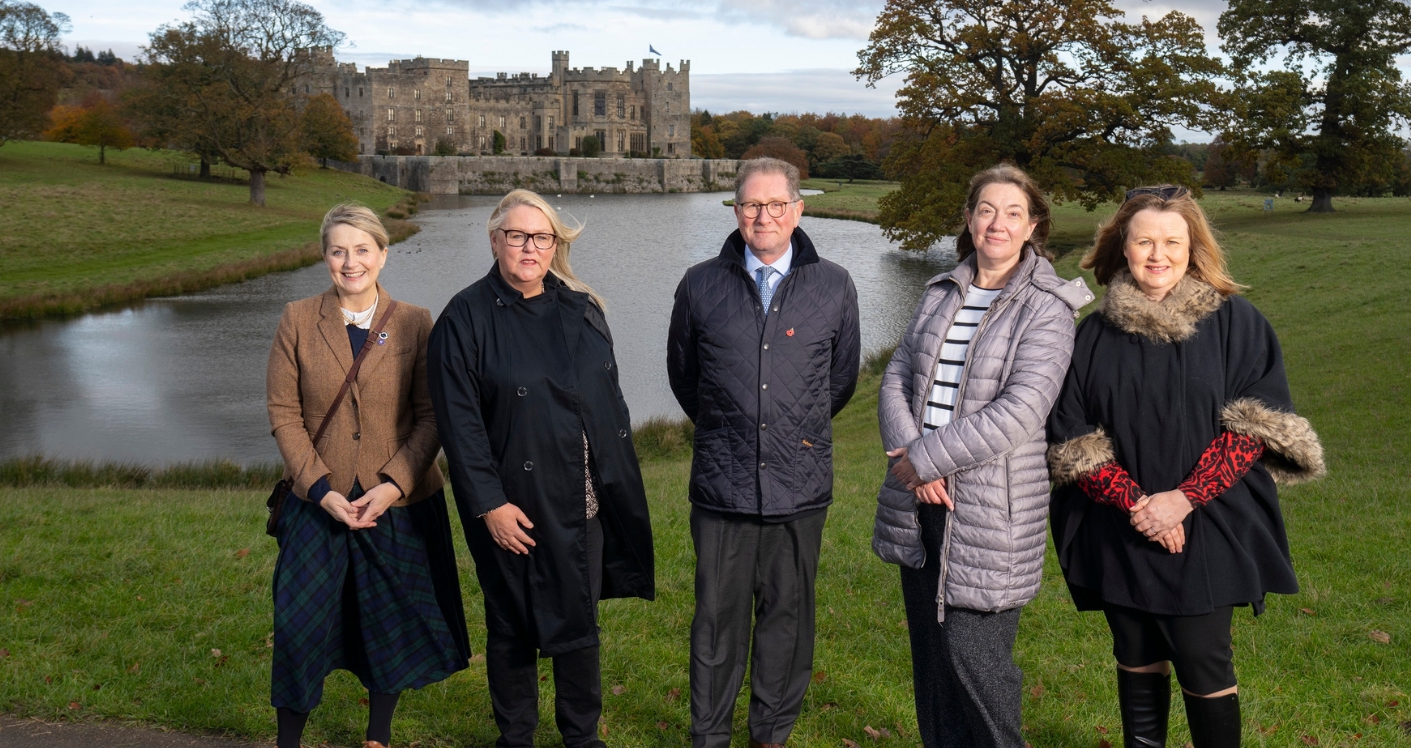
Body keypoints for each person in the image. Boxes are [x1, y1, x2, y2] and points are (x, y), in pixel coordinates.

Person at [1045, 186, 1326, 748]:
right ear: (1121, 247)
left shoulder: (1237, 324)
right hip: (1118, 525)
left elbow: (1255, 423)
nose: (1157, 254)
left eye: (1172, 241)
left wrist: (1183, 499)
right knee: (1136, 654)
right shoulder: (1093, 335)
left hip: (1212, 522)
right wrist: (1136, 504)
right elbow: (1070, 430)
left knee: (1202, 658)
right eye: (1144, 240)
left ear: (1192, 247)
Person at [872, 164, 1093, 748]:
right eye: (986, 210)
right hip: (918, 501)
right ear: (969, 220)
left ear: (1033, 226)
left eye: (1012, 212)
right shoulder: (943, 289)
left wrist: (926, 461)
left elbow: (1022, 409)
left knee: (977, 664)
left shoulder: (1046, 306)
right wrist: (911, 464)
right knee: (933, 664)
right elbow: (897, 374)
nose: (997, 223)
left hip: (988, 512)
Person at [428, 189, 655, 748]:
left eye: (541, 237)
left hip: (582, 501)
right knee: (511, 625)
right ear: (495, 240)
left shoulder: (582, 307)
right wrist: (489, 505)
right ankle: (517, 737)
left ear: (556, 243)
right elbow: (460, 426)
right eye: (517, 236)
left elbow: (609, 402)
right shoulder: (465, 317)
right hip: (513, 503)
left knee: (578, 621)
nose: (530, 247)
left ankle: (582, 737)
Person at [666, 156, 861, 748]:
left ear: (798, 209)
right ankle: (710, 736)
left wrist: (787, 431)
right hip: (722, 488)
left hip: (799, 488)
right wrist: (735, 432)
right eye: (751, 204)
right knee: (717, 624)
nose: (764, 216)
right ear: (736, 210)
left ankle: (769, 735)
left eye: (777, 204)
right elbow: (684, 375)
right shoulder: (700, 282)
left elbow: (841, 379)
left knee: (786, 622)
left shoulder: (834, 284)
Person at [265, 202, 470, 748]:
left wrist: (394, 482)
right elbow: (284, 415)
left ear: (383, 254)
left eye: (362, 250)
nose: (350, 262)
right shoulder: (297, 319)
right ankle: (288, 740)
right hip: (320, 503)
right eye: (338, 251)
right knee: (300, 625)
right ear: (325, 257)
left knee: (387, 624)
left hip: (395, 503)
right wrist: (320, 488)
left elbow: (431, 417)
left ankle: (376, 738)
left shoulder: (416, 322)